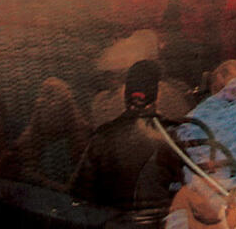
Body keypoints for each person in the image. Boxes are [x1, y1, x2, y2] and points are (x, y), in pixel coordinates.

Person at [68, 60, 180, 212]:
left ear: (125, 94)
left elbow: (80, 192)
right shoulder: (175, 135)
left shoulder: (104, 136)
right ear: (158, 94)